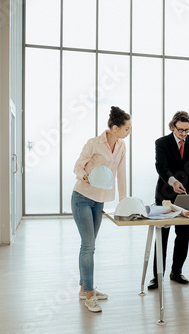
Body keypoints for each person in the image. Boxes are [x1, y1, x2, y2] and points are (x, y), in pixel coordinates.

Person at [71, 106, 131, 312]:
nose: (128, 132)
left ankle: (83, 288)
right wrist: (85, 176)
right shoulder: (94, 143)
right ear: (115, 128)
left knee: (89, 245)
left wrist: (123, 202)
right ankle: (89, 294)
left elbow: (121, 174)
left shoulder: (122, 146)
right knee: (88, 246)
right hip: (82, 197)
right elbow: (78, 165)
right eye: (126, 128)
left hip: (100, 200)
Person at [148, 111, 189, 290]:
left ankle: (176, 271)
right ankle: (157, 275)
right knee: (163, 235)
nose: (184, 134)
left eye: (187, 130)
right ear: (172, 126)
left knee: (183, 235)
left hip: (187, 195)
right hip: (165, 193)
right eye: (180, 130)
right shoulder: (162, 143)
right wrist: (173, 181)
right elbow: (161, 166)